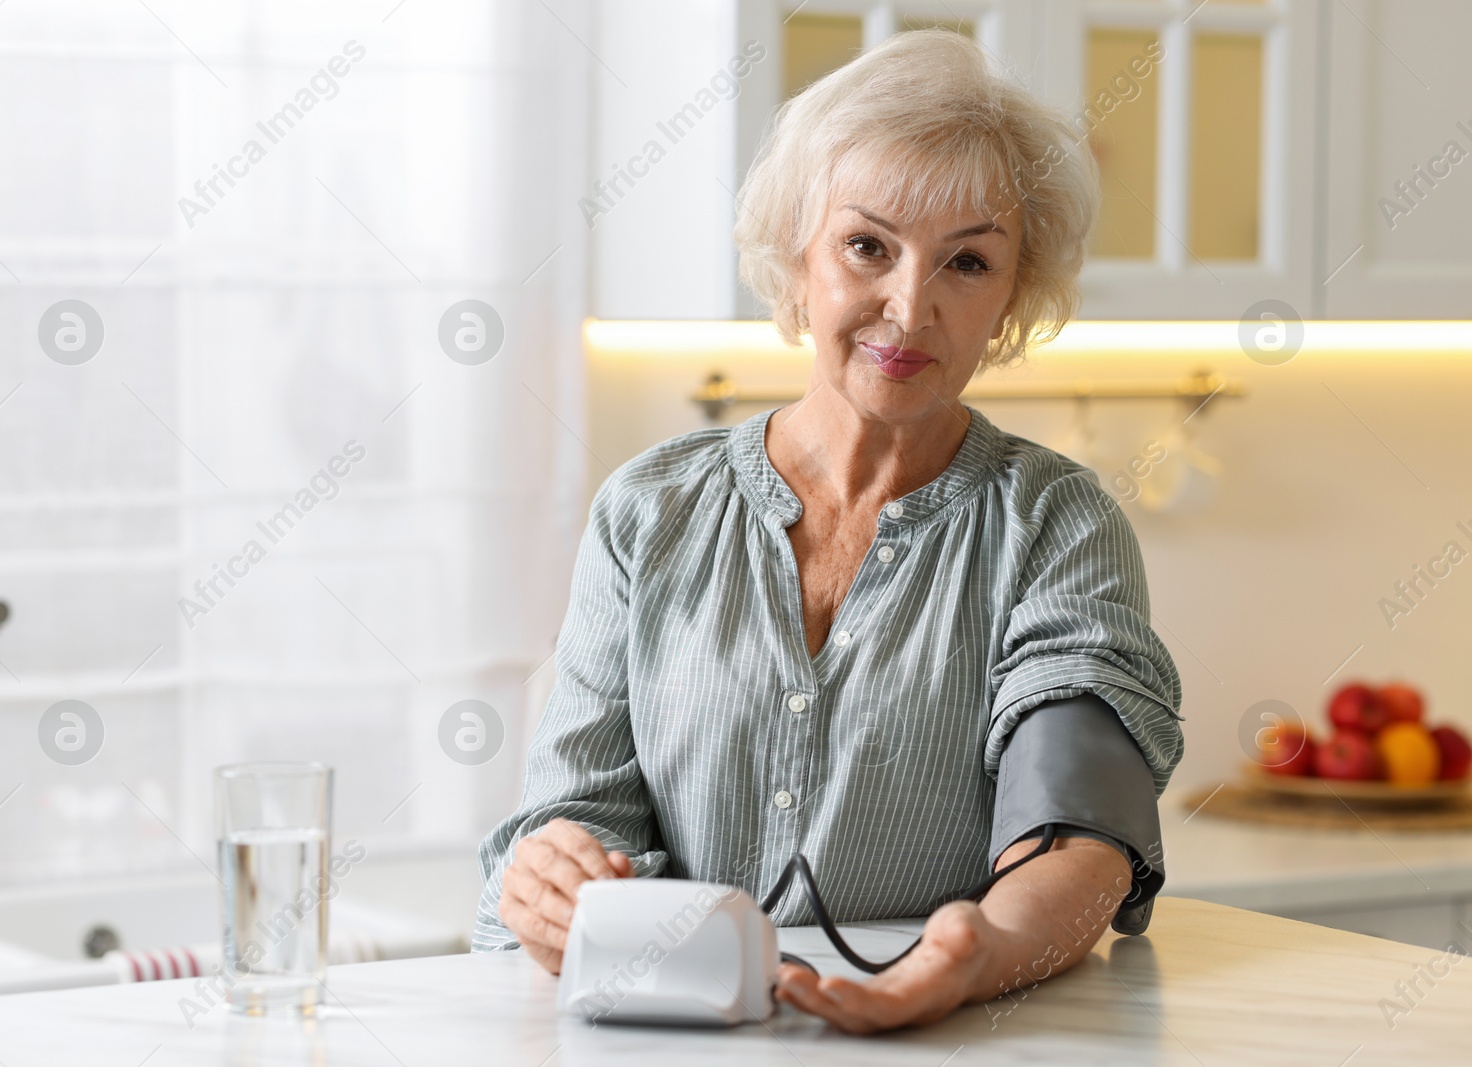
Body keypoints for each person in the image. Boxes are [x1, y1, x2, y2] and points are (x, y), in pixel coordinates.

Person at [474, 28, 1184, 1034]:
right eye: (868, 245)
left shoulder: (1057, 525)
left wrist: (968, 955)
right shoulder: (647, 510)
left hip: (947, 1037)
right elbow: (577, 813)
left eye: (968, 262)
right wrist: (547, 870)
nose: (909, 305)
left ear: (1010, 301)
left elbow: (1077, 838)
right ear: (797, 254)